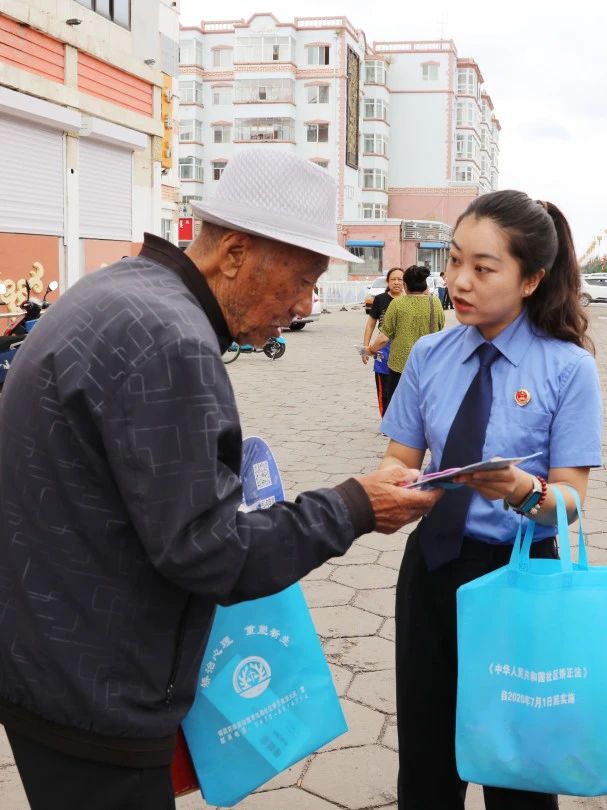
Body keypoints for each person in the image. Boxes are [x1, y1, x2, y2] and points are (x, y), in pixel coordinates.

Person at [0, 150, 441, 810]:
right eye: (301, 279)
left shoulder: (118, 290)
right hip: (96, 693)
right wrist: (356, 505)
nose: (301, 306)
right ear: (234, 252)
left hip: (49, 659)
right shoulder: (168, 336)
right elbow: (209, 552)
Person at [379, 191, 602, 809]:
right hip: (431, 570)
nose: (459, 282)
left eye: (483, 268)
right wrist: (391, 491)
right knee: (426, 752)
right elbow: (399, 458)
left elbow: (571, 501)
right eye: (454, 262)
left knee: (516, 765)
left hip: (518, 577)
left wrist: (521, 490)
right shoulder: (429, 355)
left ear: (530, 279)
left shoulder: (567, 369)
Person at [366, 264, 445, 405]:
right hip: (428, 365)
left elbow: (383, 338)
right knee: (423, 405)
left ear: (406, 285)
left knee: (398, 407)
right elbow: (440, 330)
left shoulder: (397, 304)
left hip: (400, 367)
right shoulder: (435, 303)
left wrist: (370, 349)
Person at [361, 266, 404, 415]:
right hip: (383, 347)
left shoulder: (409, 299)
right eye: (393, 279)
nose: (397, 282)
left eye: (400, 279)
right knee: (384, 388)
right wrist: (366, 347)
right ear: (388, 281)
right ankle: (386, 419)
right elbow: (371, 324)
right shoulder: (380, 299)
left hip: (404, 347)